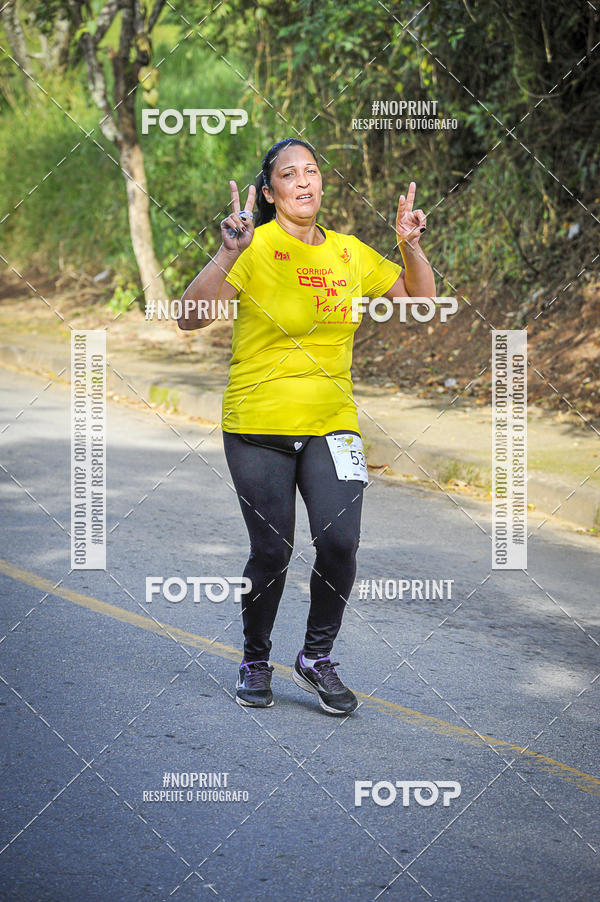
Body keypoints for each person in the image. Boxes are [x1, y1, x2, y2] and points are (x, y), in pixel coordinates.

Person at [179, 138, 435, 715]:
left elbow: (421, 303)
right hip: (257, 423)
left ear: (322, 184)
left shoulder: (349, 253)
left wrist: (409, 246)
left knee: (340, 543)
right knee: (272, 550)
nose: (303, 182)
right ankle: (254, 655)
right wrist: (227, 252)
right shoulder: (252, 245)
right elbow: (189, 318)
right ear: (269, 193)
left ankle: (316, 658)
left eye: (312, 172)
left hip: (333, 423)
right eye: (288, 175)